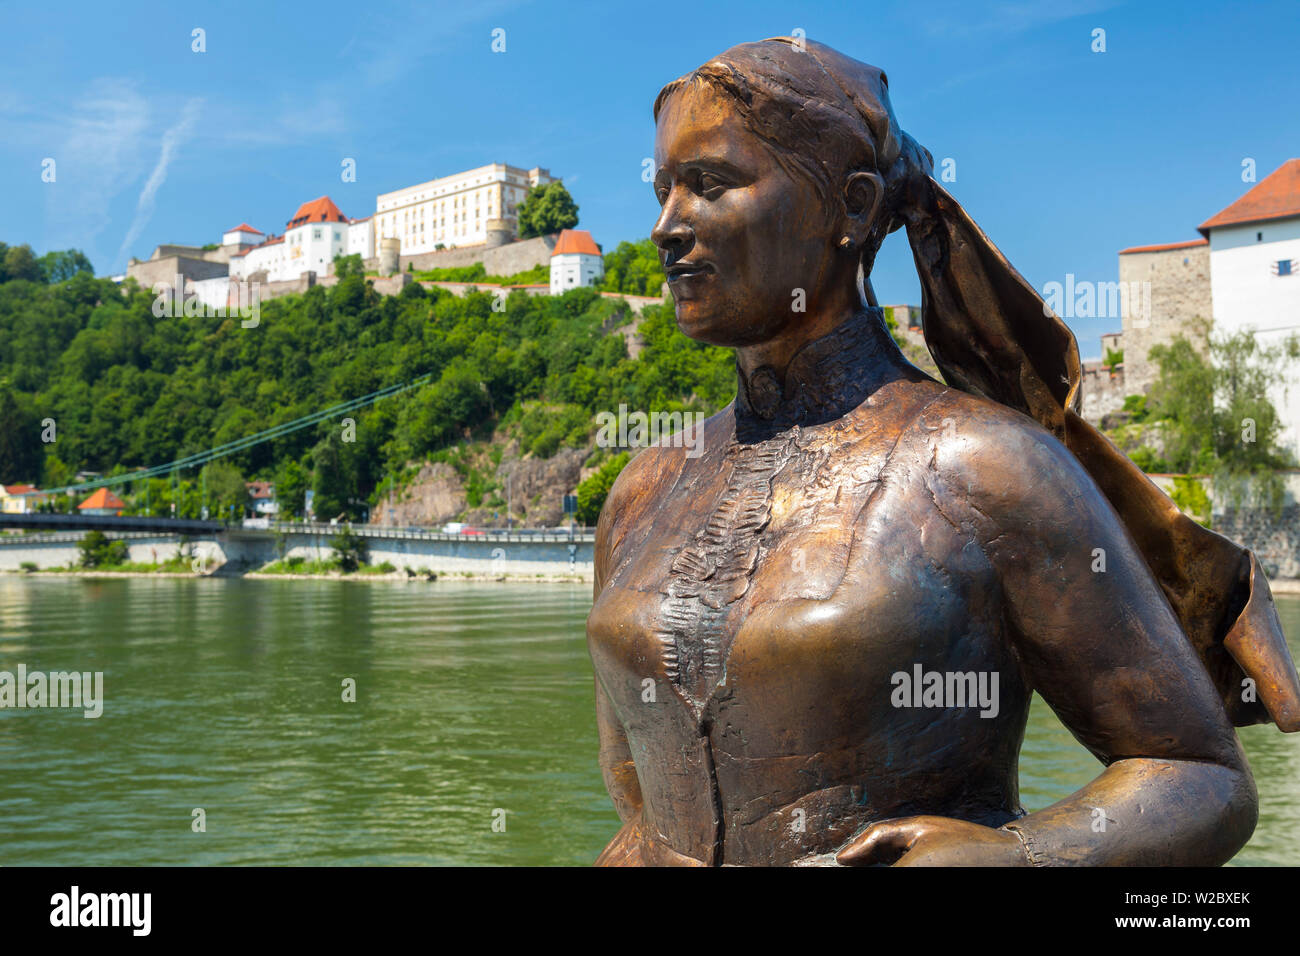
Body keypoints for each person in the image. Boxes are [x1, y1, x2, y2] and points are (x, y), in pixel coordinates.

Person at [585, 37, 1300, 867]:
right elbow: (633, 795)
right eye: (662, 188)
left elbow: (1202, 778)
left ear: (851, 210)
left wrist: (1020, 857)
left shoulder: (984, 465)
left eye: (709, 184)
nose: (667, 226)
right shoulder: (645, 487)